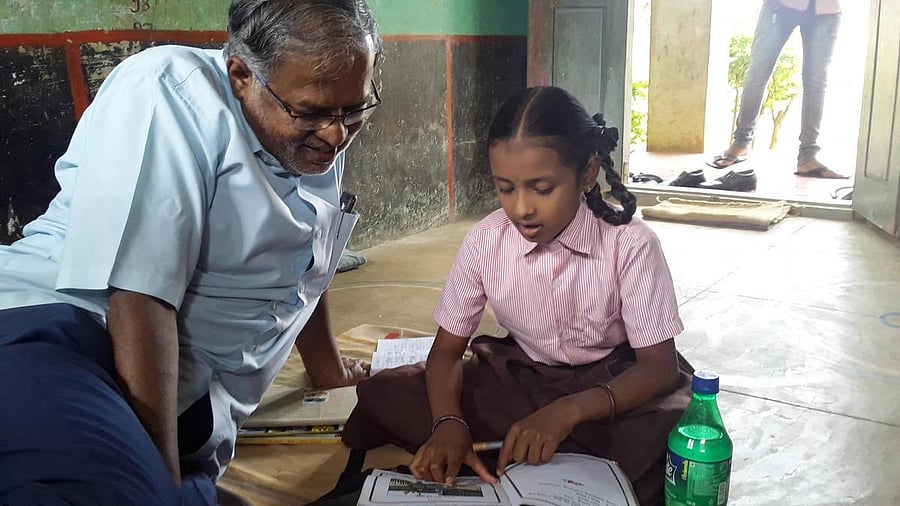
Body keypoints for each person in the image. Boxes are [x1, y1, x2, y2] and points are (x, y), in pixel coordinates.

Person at [0, 0, 382, 504]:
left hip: (182, 393)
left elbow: (306, 262)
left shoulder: (309, 134)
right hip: (60, 332)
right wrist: (159, 482)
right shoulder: (169, 91)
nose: (337, 133)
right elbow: (139, 299)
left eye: (354, 109)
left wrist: (328, 370)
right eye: (311, 113)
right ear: (242, 74)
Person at [342, 86, 693, 504]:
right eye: (505, 188)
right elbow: (447, 352)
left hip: (611, 382)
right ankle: (544, 458)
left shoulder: (630, 244)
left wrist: (569, 411)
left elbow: (658, 368)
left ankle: (524, 452)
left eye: (542, 189)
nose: (521, 208)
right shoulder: (486, 242)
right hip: (520, 377)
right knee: (386, 393)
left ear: (586, 173)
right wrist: (448, 422)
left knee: (668, 431)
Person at [709, 0, 846, 179]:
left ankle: (808, 157)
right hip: (780, 7)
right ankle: (740, 143)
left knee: (816, 84)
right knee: (756, 77)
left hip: (826, 11)